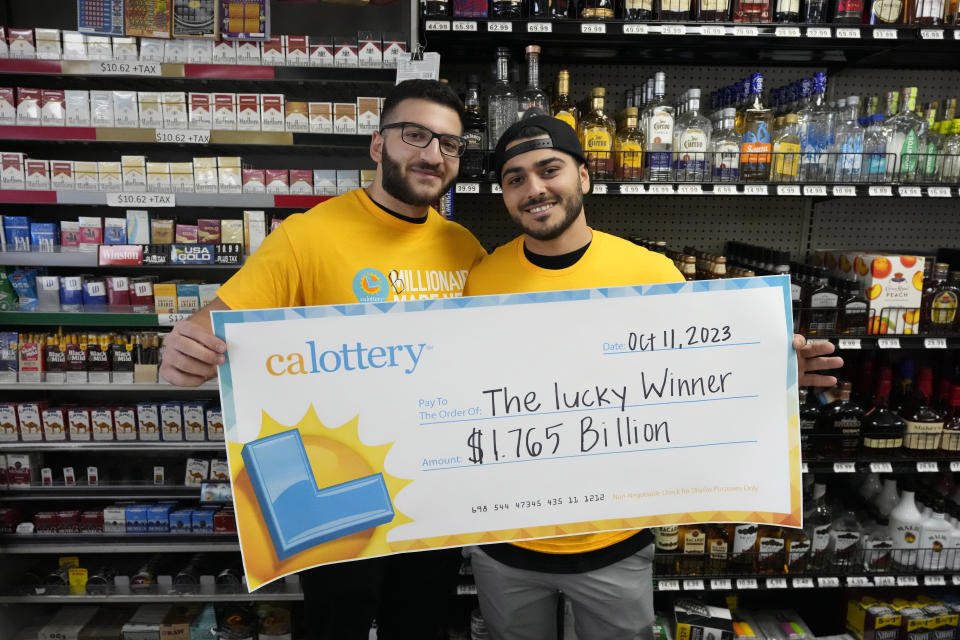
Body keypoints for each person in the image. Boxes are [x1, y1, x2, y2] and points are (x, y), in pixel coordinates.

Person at [462, 114, 842, 640]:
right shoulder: (483, 278)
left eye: (550, 169)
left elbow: (691, 387)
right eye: (515, 178)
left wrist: (766, 375)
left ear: (585, 176)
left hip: (615, 543)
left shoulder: (651, 275)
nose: (534, 188)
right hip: (506, 543)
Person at [160, 79, 486, 639]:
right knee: (337, 625)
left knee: (425, 624)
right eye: (416, 135)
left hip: (432, 490)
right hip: (336, 492)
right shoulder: (307, 237)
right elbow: (215, 322)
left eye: (449, 144)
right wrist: (184, 346)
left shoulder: (464, 246)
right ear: (378, 145)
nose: (433, 154)